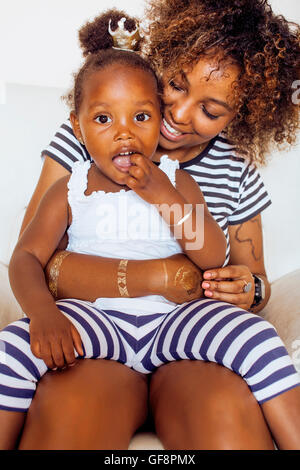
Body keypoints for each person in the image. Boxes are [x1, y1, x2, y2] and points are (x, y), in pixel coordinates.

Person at [5, 0, 300, 450]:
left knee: (255, 340)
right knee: (15, 350)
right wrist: (160, 276)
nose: (180, 115)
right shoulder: (79, 162)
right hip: (94, 322)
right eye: (176, 86)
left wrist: (250, 286)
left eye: (211, 110)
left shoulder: (198, 176)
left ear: (241, 114)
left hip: (182, 329)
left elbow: (220, 258)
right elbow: (32, 257)